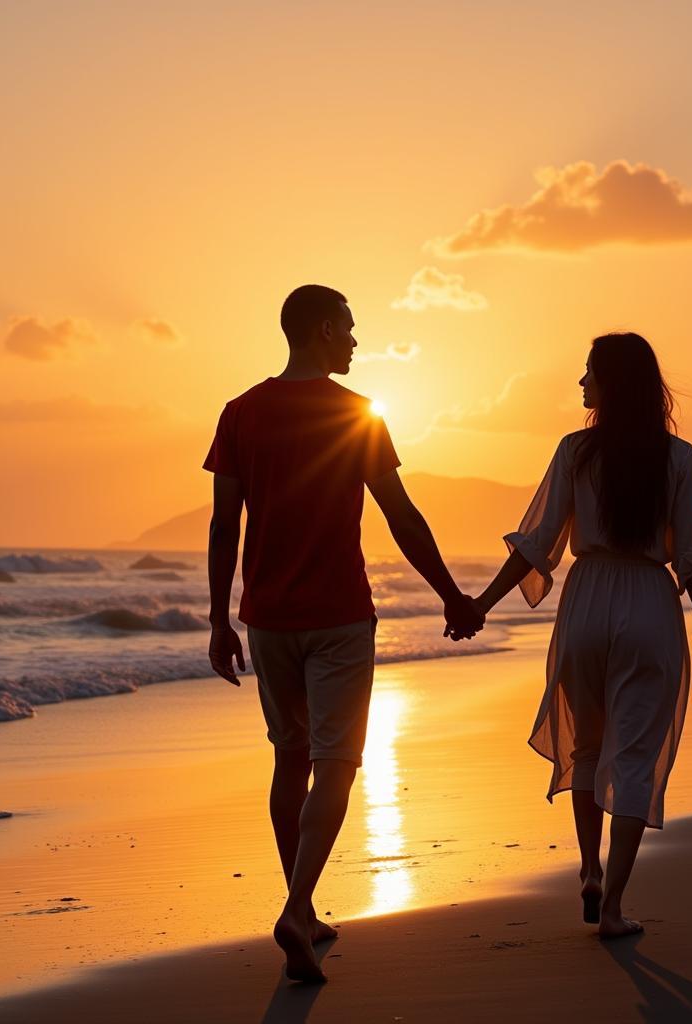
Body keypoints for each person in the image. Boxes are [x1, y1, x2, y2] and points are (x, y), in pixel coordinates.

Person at [204, 284, 483, 983]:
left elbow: (223, 525)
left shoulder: (241, 413)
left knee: (289, 758)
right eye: (350, 330)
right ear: (323, 329)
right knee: (336, 764)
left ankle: (305, 905)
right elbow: (400, 514)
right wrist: (452, 595)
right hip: (337, 617)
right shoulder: (357, 415)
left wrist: (217, 617)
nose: (356, 342)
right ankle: (297, 909)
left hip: (267, 619)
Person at [473, 332, 692, 938]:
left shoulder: (575, 451)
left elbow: (536, 545)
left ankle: (588, 868)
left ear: (610, 383)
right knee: (635, 757)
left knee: (587, 747)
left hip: (586, 601)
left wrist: (480, 604)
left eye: (588, 374)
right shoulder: (679, 457)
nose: (581, 384)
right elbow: (691, 557)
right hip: (648, 601)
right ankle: (612, 906)